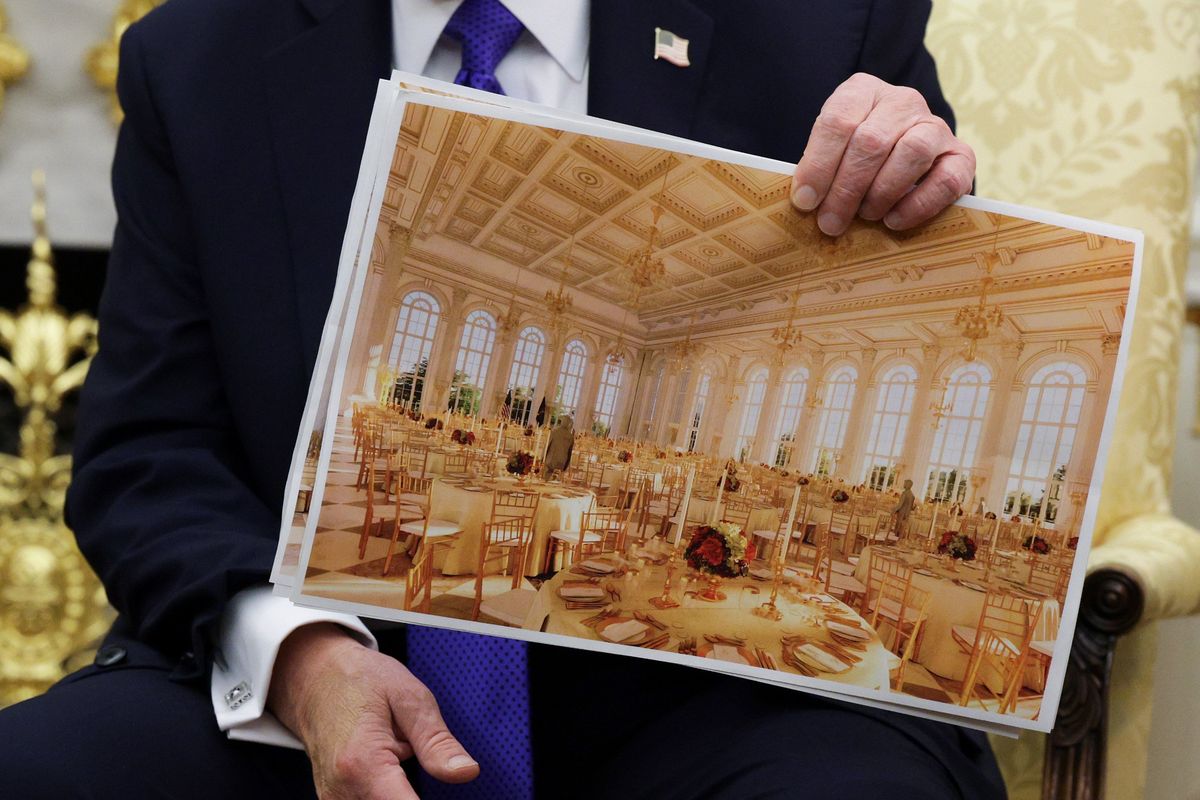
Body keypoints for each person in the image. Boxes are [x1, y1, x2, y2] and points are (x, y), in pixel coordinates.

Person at [0, 1, 1001, 799]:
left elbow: (933, 343)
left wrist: (919, 190)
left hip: (711, 701)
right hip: (311, 685)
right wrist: (302, 659)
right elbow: (150, 455)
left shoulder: (819, 28)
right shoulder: (196, 55)